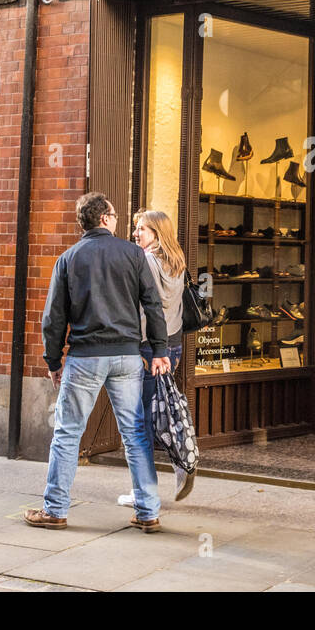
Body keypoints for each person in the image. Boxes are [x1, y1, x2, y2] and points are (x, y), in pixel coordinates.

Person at [25, 192, 172, 533]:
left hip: (85, 358)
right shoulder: (134, 254)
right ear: (104, 218)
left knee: (67, 433)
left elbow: (53, 318)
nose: (119, 220)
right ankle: (148, 512)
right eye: (116, 214)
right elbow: (153, 306)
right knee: (135, 434)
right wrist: (160, 350)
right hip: (126, 357)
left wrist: (52, 359)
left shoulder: (69, 258)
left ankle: (55, 511)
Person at [117, 209, 197, 505]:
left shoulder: (146, 261)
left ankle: (144, 491)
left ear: (157, 233)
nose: (135, 233)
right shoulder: (176, 260)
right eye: (136, 228)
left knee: (141, 421)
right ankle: (181, 461)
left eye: (141, 229)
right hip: (171, 347)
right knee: (164, 408)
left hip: (149, 348)